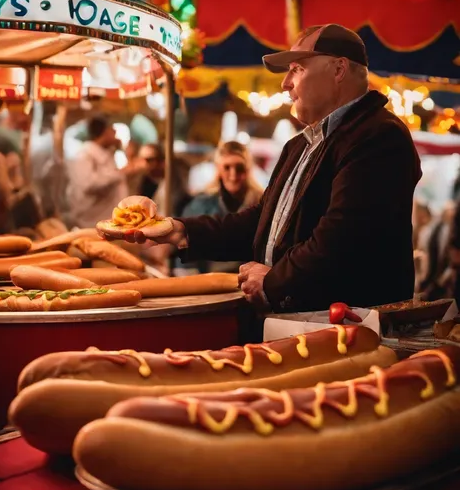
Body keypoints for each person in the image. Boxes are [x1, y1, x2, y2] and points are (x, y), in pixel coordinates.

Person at [120, 24, 422, 314]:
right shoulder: (301, 145)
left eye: (297, 69)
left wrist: (273, 279)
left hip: (350, 323)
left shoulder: (379, 135)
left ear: (339, 69)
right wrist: (179, 230)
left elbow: (342, 239)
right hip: (304, 319)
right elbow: (259, 221)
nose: (286, 83)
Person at [177, 141, 263, 274]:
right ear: (218, 169)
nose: (233, 175)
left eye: (239, 168)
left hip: (250, 281)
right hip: (209, 282)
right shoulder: (201, 203)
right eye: (227, 167)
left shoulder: (262, 202)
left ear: (247, 169)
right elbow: (185, 250)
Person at [67, 114, 145, 228]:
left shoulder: (107, 152)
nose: (115, 134)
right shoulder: (85, 155)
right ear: (105, 132)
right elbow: (88, 184)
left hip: (109, 220)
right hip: (93, 221)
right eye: (113, 131)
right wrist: (120, 174)